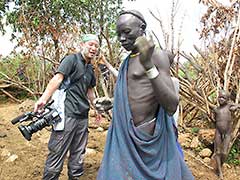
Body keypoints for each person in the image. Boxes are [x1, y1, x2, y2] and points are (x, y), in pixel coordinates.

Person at [97, 10, 194, 180]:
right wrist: (113, 102)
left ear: (142, 28)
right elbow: (136, 95)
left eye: (127, 32)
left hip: (146, 139)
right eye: (118, 34)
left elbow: (171, 106)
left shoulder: (157, 56)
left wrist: (148, 65)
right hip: (125, 137)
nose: (121, 39)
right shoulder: (126, 62)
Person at [34, 34, 100, 180]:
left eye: (96, 46)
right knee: (57, 153)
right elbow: (57, 78)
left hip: (82, 117)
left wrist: (96, 108)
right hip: (66, 115)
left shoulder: (90, 68)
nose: (93, 48)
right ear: (82, 45)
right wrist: (43, 99)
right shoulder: (71, 60)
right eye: (90, 44)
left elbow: (90, 91)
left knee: (78, 156)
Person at [214, 90, 240, 180]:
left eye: (223, 98)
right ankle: (220, 172)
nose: (221, 99)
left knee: (224, 153)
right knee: (217, 152)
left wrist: (233, 105)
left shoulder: (229, 106)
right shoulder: (216, 109)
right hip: (218, 132)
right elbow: (215, 120)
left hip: (228, 133)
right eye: (220, 97)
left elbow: (237, 106)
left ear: (227, 99)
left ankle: (219, 165)